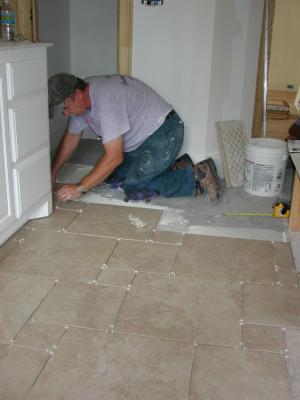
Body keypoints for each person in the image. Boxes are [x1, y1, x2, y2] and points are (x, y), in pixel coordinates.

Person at [49, 73, 221, 203]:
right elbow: (71, 138)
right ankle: (178, 167)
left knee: (134, 186)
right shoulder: (83, 99)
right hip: (143, 141)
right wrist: (53, 173)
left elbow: (114, 156)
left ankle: (198, 176)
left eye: (66, 107)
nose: (66, 113)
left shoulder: (105, 99)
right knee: (112, 176)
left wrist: (80, 187)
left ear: (78, 94)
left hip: (165, 134)